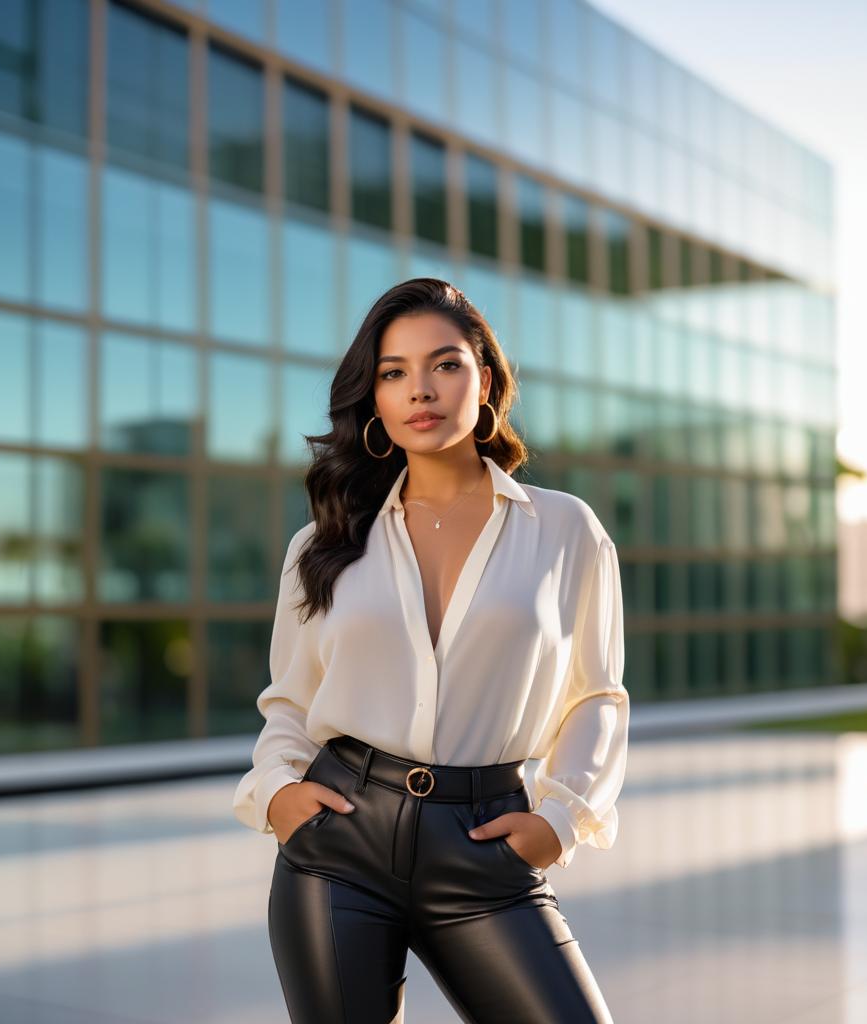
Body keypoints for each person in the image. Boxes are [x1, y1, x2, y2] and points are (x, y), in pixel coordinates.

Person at [232, 278, 630, 1023]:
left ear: (486, 381)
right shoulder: (324, 545)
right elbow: (289, 703)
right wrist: (280, 796)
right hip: (338, 844)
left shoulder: (566, 529)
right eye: (394, 372)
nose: (422, 389)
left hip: (484, 847)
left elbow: (596, 696)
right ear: (375, 400)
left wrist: (561, 820)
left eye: (445, 365)